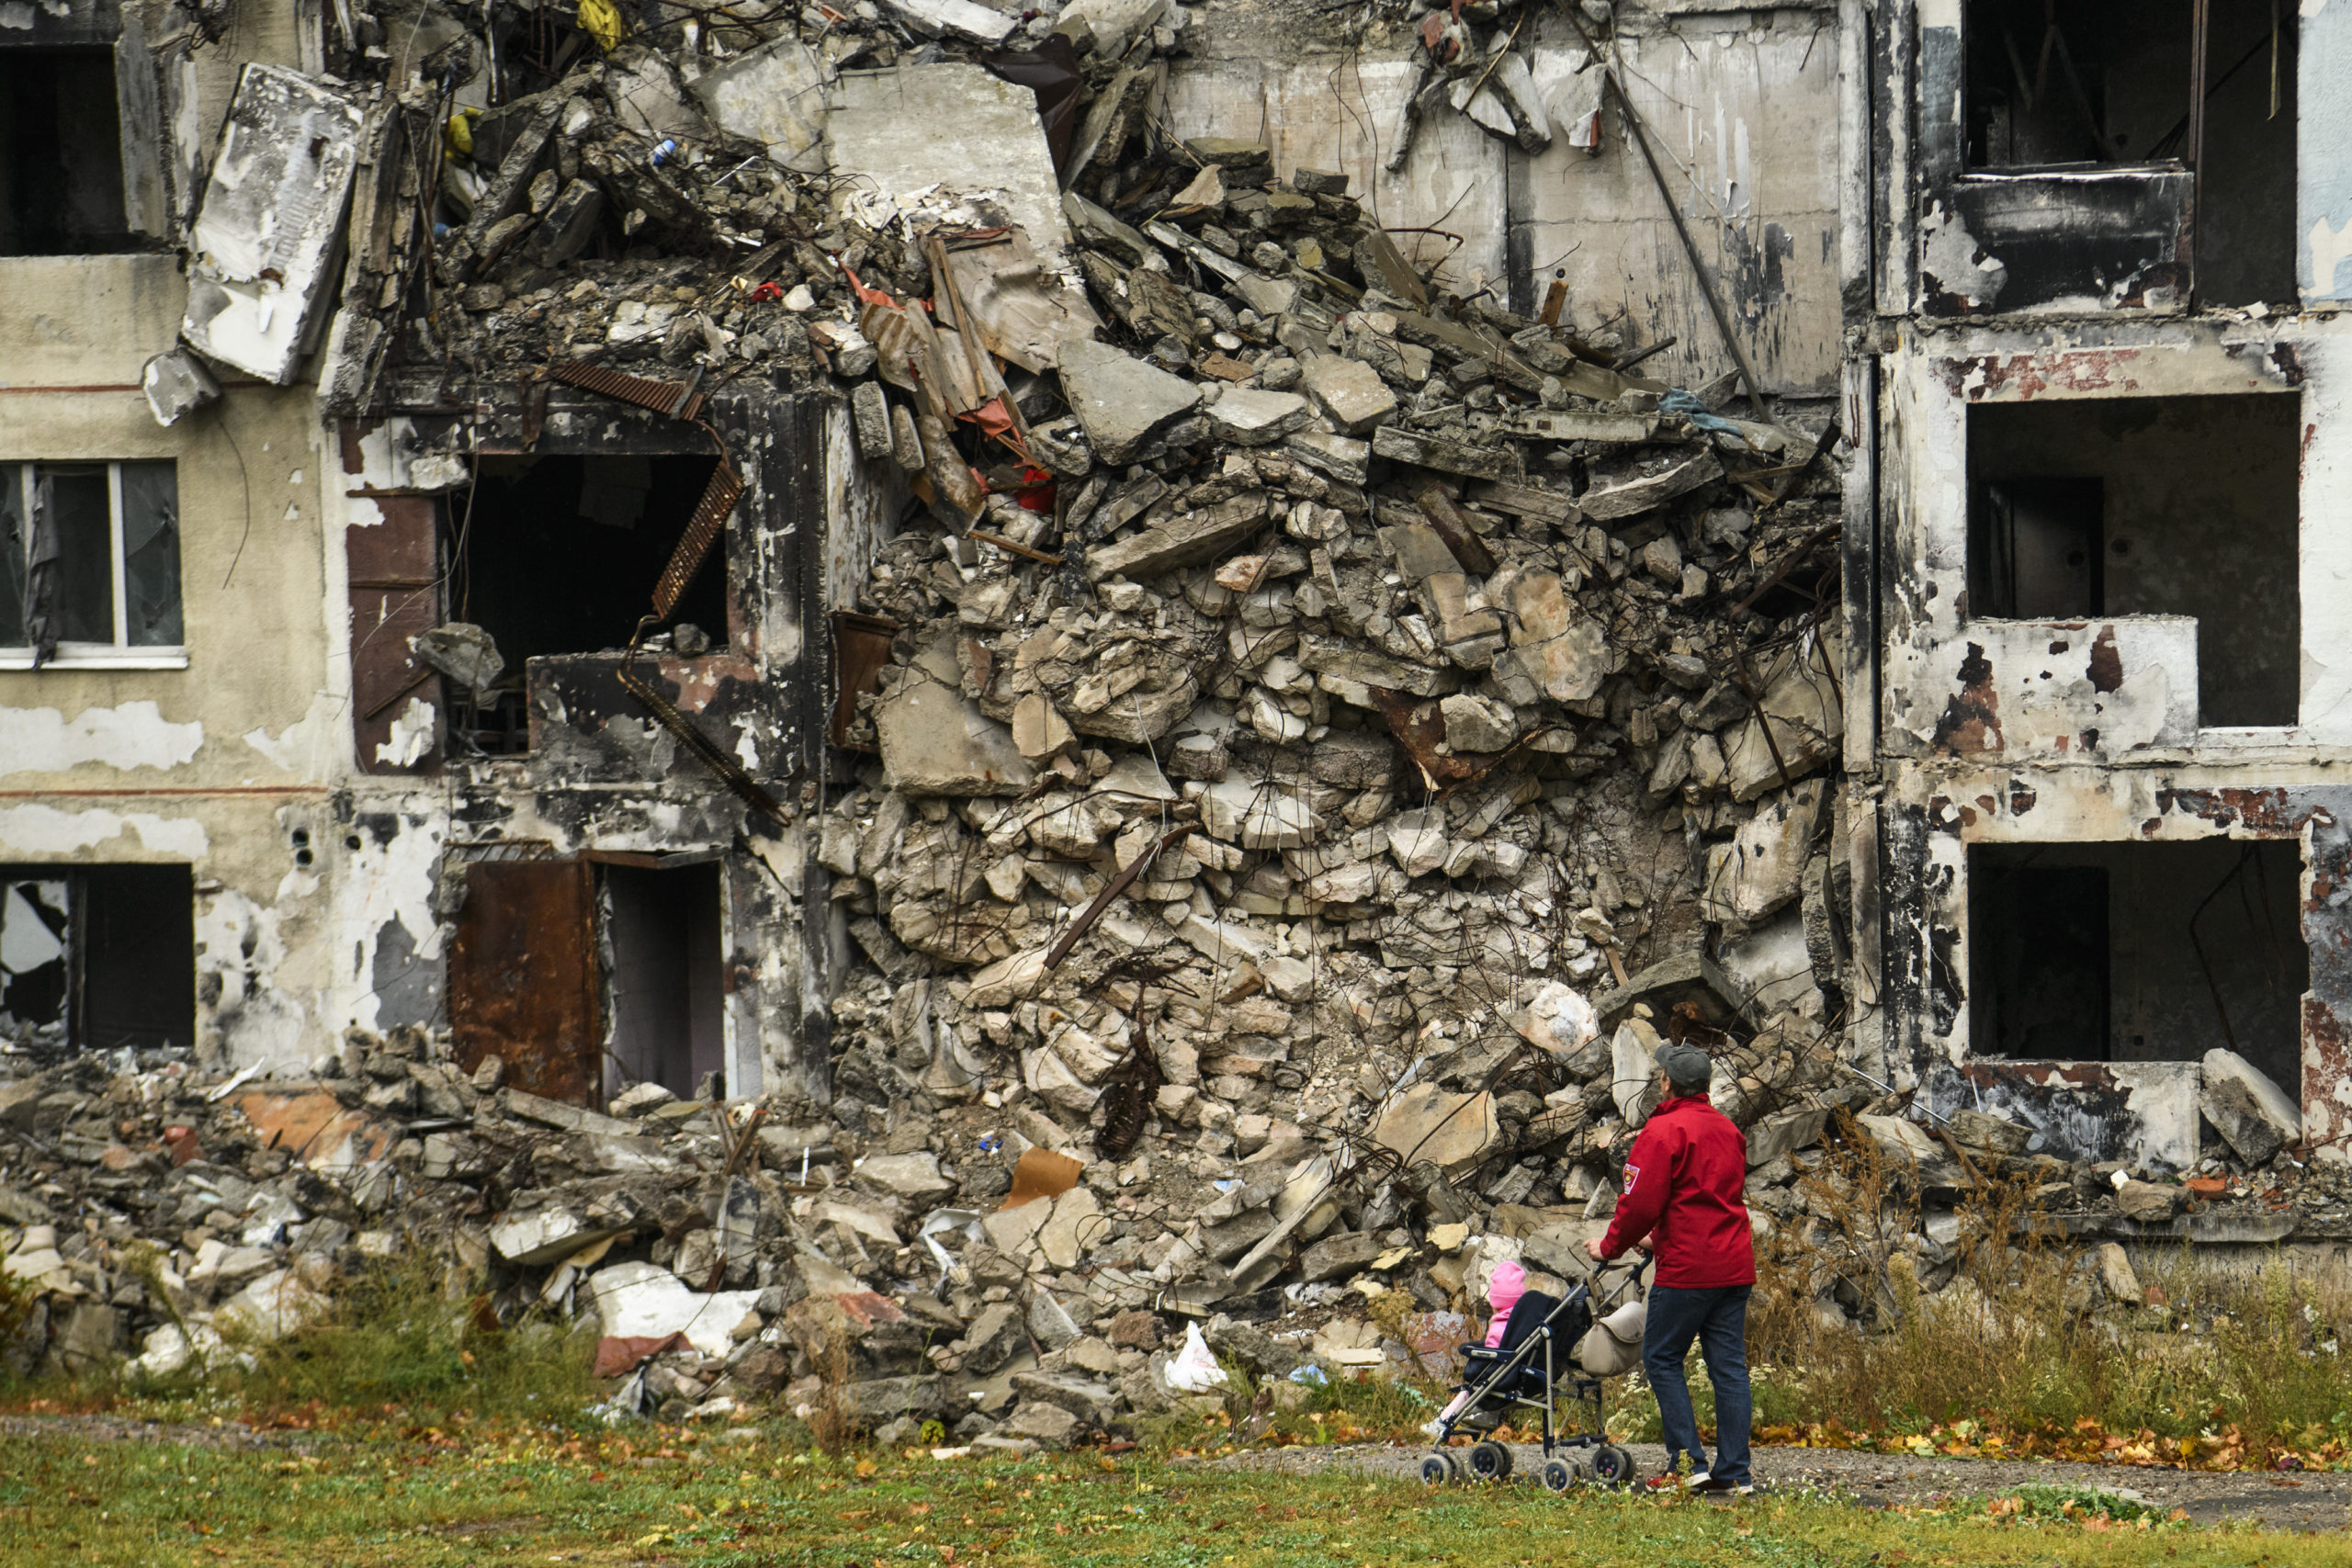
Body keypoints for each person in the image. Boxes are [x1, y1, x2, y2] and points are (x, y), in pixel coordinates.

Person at [1584, 1039, 1756, 1495]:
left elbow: (1639, 1203)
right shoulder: (1728, 1131)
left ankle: (1687, 1464)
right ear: (1705, 1085)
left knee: (1661, 1358)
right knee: (1729, 1369)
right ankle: (1736, 1472)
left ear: (1667, 1083)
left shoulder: (1661, 1133)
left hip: (1688, 1270)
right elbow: (1705, 1199)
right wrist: (1655, 1239)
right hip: (1733, 1265)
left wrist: (1609, 1247)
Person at [1422, 1259, 1529, 1431]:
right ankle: (1488, 1417)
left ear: (1495, 1302)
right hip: (1517, 1380)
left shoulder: (1499, 1330)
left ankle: (1443, 1422)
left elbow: (1492, 1357)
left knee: (1468, 1390)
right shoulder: (1523, 1326)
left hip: (1498, 1381)